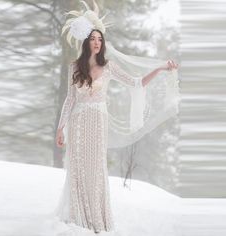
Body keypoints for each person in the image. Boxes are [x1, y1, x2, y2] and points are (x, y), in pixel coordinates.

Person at [55, 26, 178, 234]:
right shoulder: (75, 67)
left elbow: (136, 83)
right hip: (78, 123)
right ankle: (78, 216)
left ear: (102, 44)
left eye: (100, 39)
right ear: (86, 42)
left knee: (96, 168)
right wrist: (61, 128)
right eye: (92, 39)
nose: (96, 42)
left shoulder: (109, 67)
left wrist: (159, 69)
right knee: (78, 168)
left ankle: (96, 217)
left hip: (98, 122)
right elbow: (70, 99)